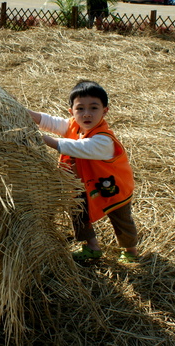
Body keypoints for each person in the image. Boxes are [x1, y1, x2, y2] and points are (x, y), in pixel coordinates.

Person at [27, 81, 139, 263]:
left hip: (112, 188)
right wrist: (27, 114)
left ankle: (130, 250)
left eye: (94, 108)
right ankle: (91, 246)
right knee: (78, 214)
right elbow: (51, 122)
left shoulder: (104, 140)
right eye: (80, 109)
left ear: (105, 111)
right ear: (71, 112)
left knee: (121, 220)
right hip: (82, 185)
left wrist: (40, 138)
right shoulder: (74, 126)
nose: (87, 114)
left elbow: (77, 147)